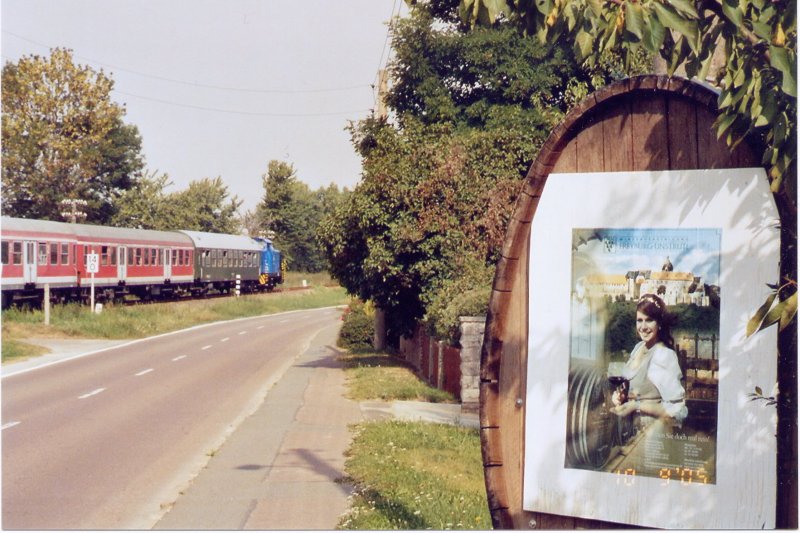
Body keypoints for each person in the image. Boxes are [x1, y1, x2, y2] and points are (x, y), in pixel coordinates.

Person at [611, 293, 687, 423]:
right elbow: (637, 387)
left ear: (660, 323)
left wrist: (636, 406)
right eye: (639, 320)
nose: (643, 327)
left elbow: (678, 409)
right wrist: (623, 396)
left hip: (651, 432)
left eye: (649, 320)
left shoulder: (663, 355)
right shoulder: (639, 347)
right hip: (631, 432)